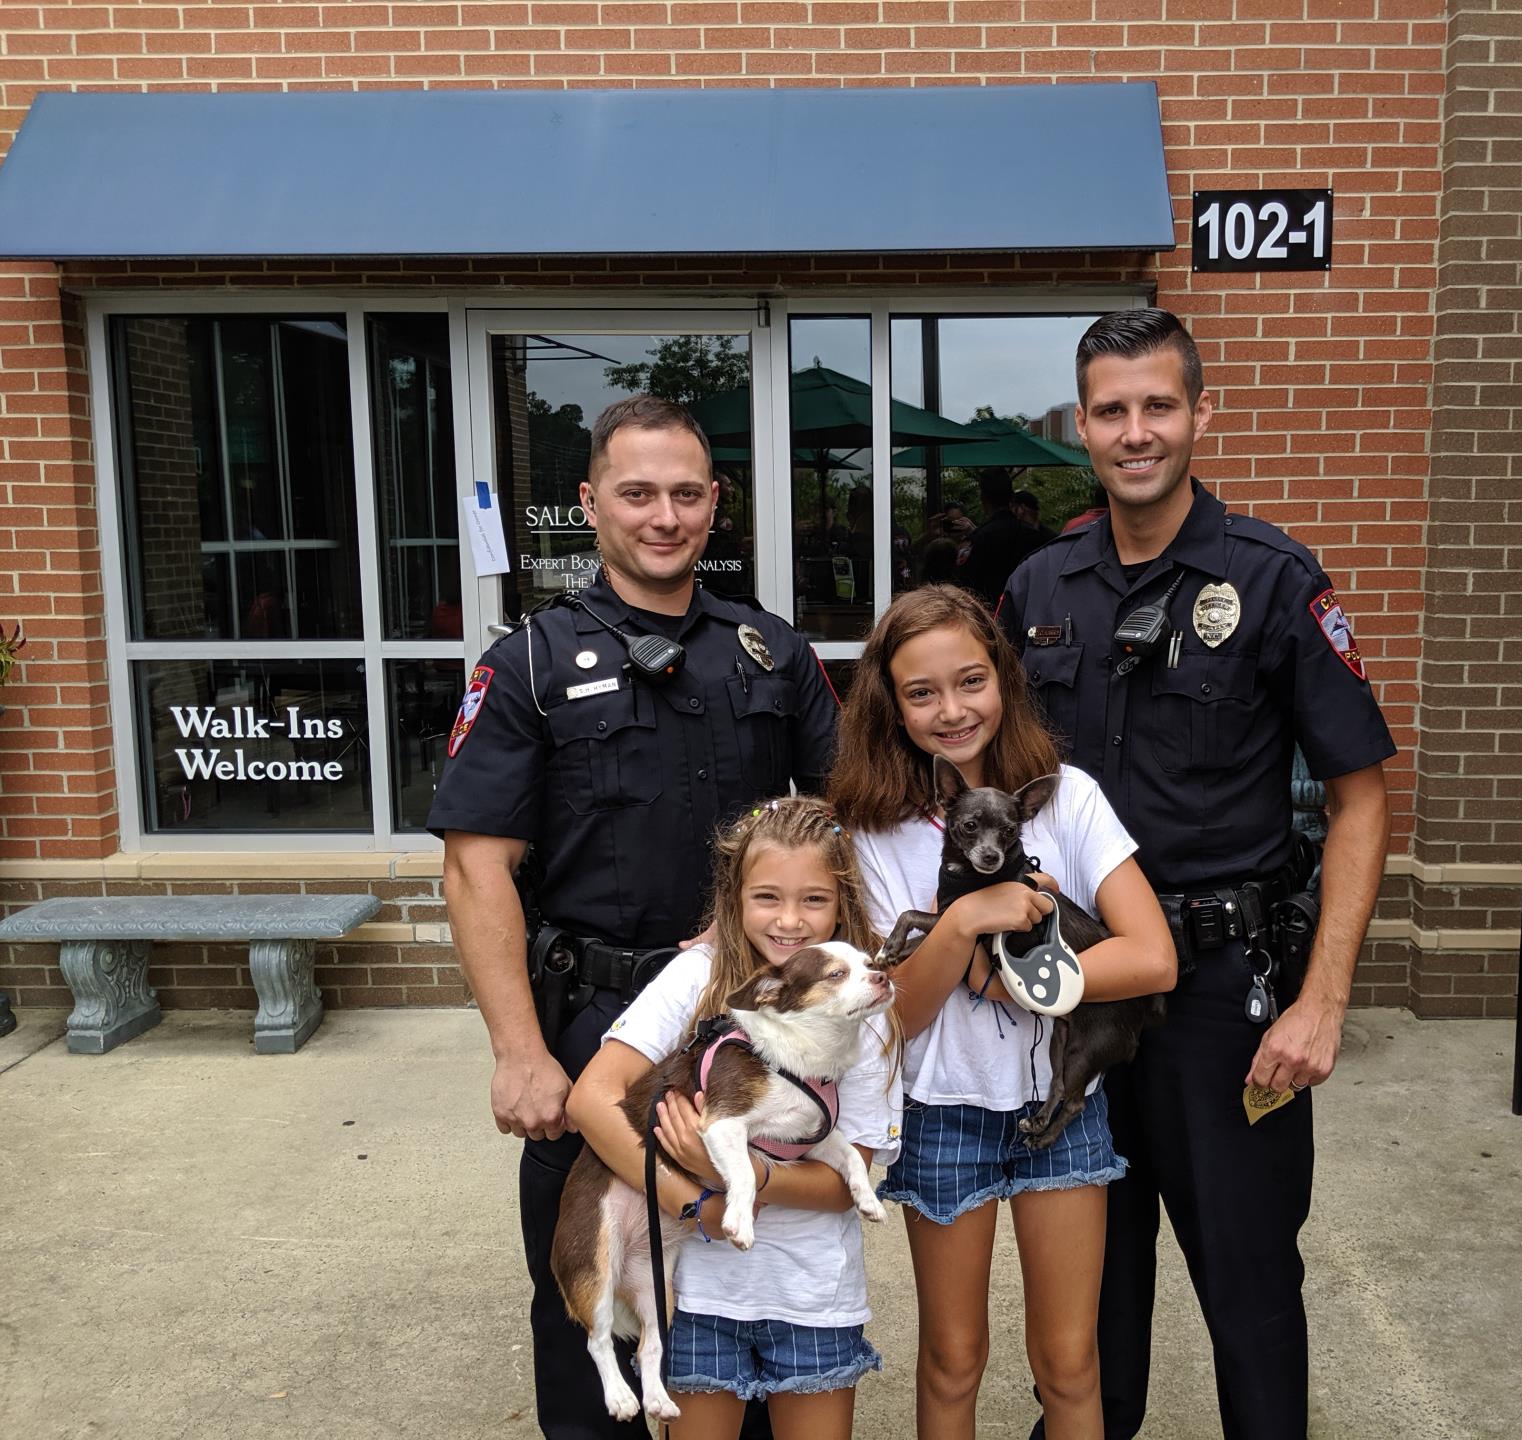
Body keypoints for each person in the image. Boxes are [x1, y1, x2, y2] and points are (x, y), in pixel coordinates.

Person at [1000, 309, 1395, 1440]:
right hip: (1082, 991)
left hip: (1227, 1001)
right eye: (1112, 410)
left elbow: (1362, 795)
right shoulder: (1037, 591)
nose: (1137, 432)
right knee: (1090, 1301)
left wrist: (1323, 1004)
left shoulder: (1270, 581)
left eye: (1158, 406)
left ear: (1200, 415)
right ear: (1082, 426)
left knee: (1253, 1294)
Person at [429, 393, 838, 1440]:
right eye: (637, 492)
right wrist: (519, 1052)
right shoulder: (525, 663)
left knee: (736, 1291)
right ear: (590, 500)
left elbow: (847, 826)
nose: (665, 515)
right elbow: (477, 869)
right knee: (595, 1301)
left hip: (740, 1033)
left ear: (716, 504)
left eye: (687, 493)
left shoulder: (771, 653)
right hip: (593, 1029)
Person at [829, 584, 1177, 1440]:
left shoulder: (1066, 800)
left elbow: (1152, 957)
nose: (952, 710)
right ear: (891, 704)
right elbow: (897, 1017)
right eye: (921, 692)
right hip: (944, 1115)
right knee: (953, 1361)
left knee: (1071, 1364)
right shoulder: (873, 831)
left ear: (1005, 680)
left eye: (971, 680)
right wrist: (964, 921)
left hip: (1065, 1119)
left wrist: (1025, 978)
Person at [567, 797, 902, 1439]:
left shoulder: (866, 1008)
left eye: (814, 900)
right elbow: (591, 1100)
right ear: (735, 897)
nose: (790, 920)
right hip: (696, 1295)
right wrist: (697, 1202)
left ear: (843, 904)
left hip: (812, 1294)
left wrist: (748, 1177)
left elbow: (846, 1182)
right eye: (767, 897)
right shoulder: (697, 978)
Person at [956, 469, 1046, 606]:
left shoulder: (978, 539)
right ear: (1011, 497)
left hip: (989, 613)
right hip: (1028, 612)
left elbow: (965, 585)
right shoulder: (1036, 537)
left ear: (983, 498)